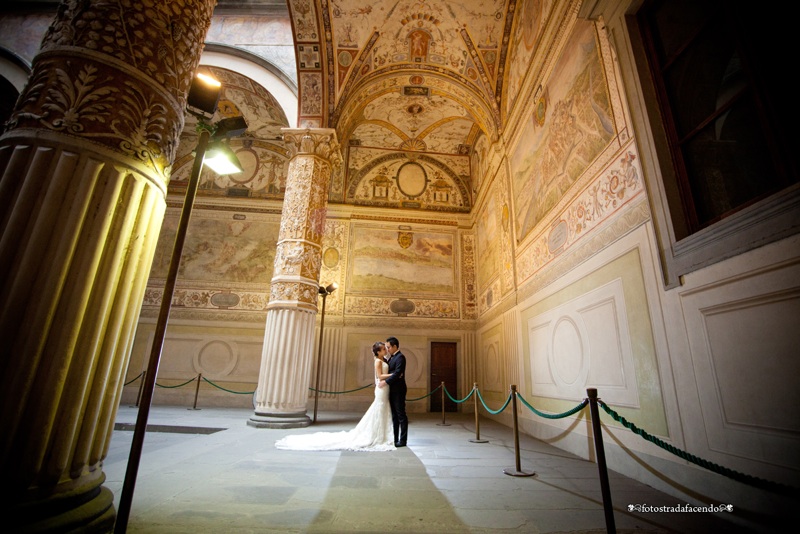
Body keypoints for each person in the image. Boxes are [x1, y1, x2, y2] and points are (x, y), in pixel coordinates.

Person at [274, 341, 395, 451]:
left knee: (381, 408)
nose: (385, 350)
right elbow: (379, 376)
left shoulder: (383, 360)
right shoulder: (378, 361)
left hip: (385, 387)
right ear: (378, 352)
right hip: (381, 388)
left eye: (385, 348)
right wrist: (394, 374)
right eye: (383, 349)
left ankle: (382, 432)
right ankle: (377, 434)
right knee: (379, 407)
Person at [378, 336, 407, 447]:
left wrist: (385, 382)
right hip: (392, 390)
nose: (387, 349)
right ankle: (395, 439)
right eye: (386, 347)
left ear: (395, 346)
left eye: (389, 347)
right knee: (394, 415)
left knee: (401, 415)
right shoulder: (390, 358)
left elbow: (398, 373)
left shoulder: (401, 357)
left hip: (399, 390)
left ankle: (403, 440)